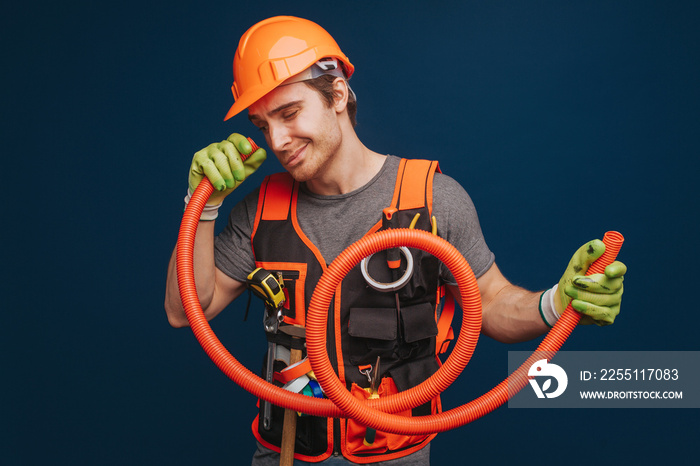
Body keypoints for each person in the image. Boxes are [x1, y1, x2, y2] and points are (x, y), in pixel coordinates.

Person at [164, 15, 626, 466]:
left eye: (289, 113)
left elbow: (491, 302)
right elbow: (184, 311)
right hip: (285, 454)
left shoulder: (434, 199)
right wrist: (203, 204)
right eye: (263, 125)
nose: (278, 140)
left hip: (393, 456)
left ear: (338, 93)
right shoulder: (260, 210)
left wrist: (556, 302)